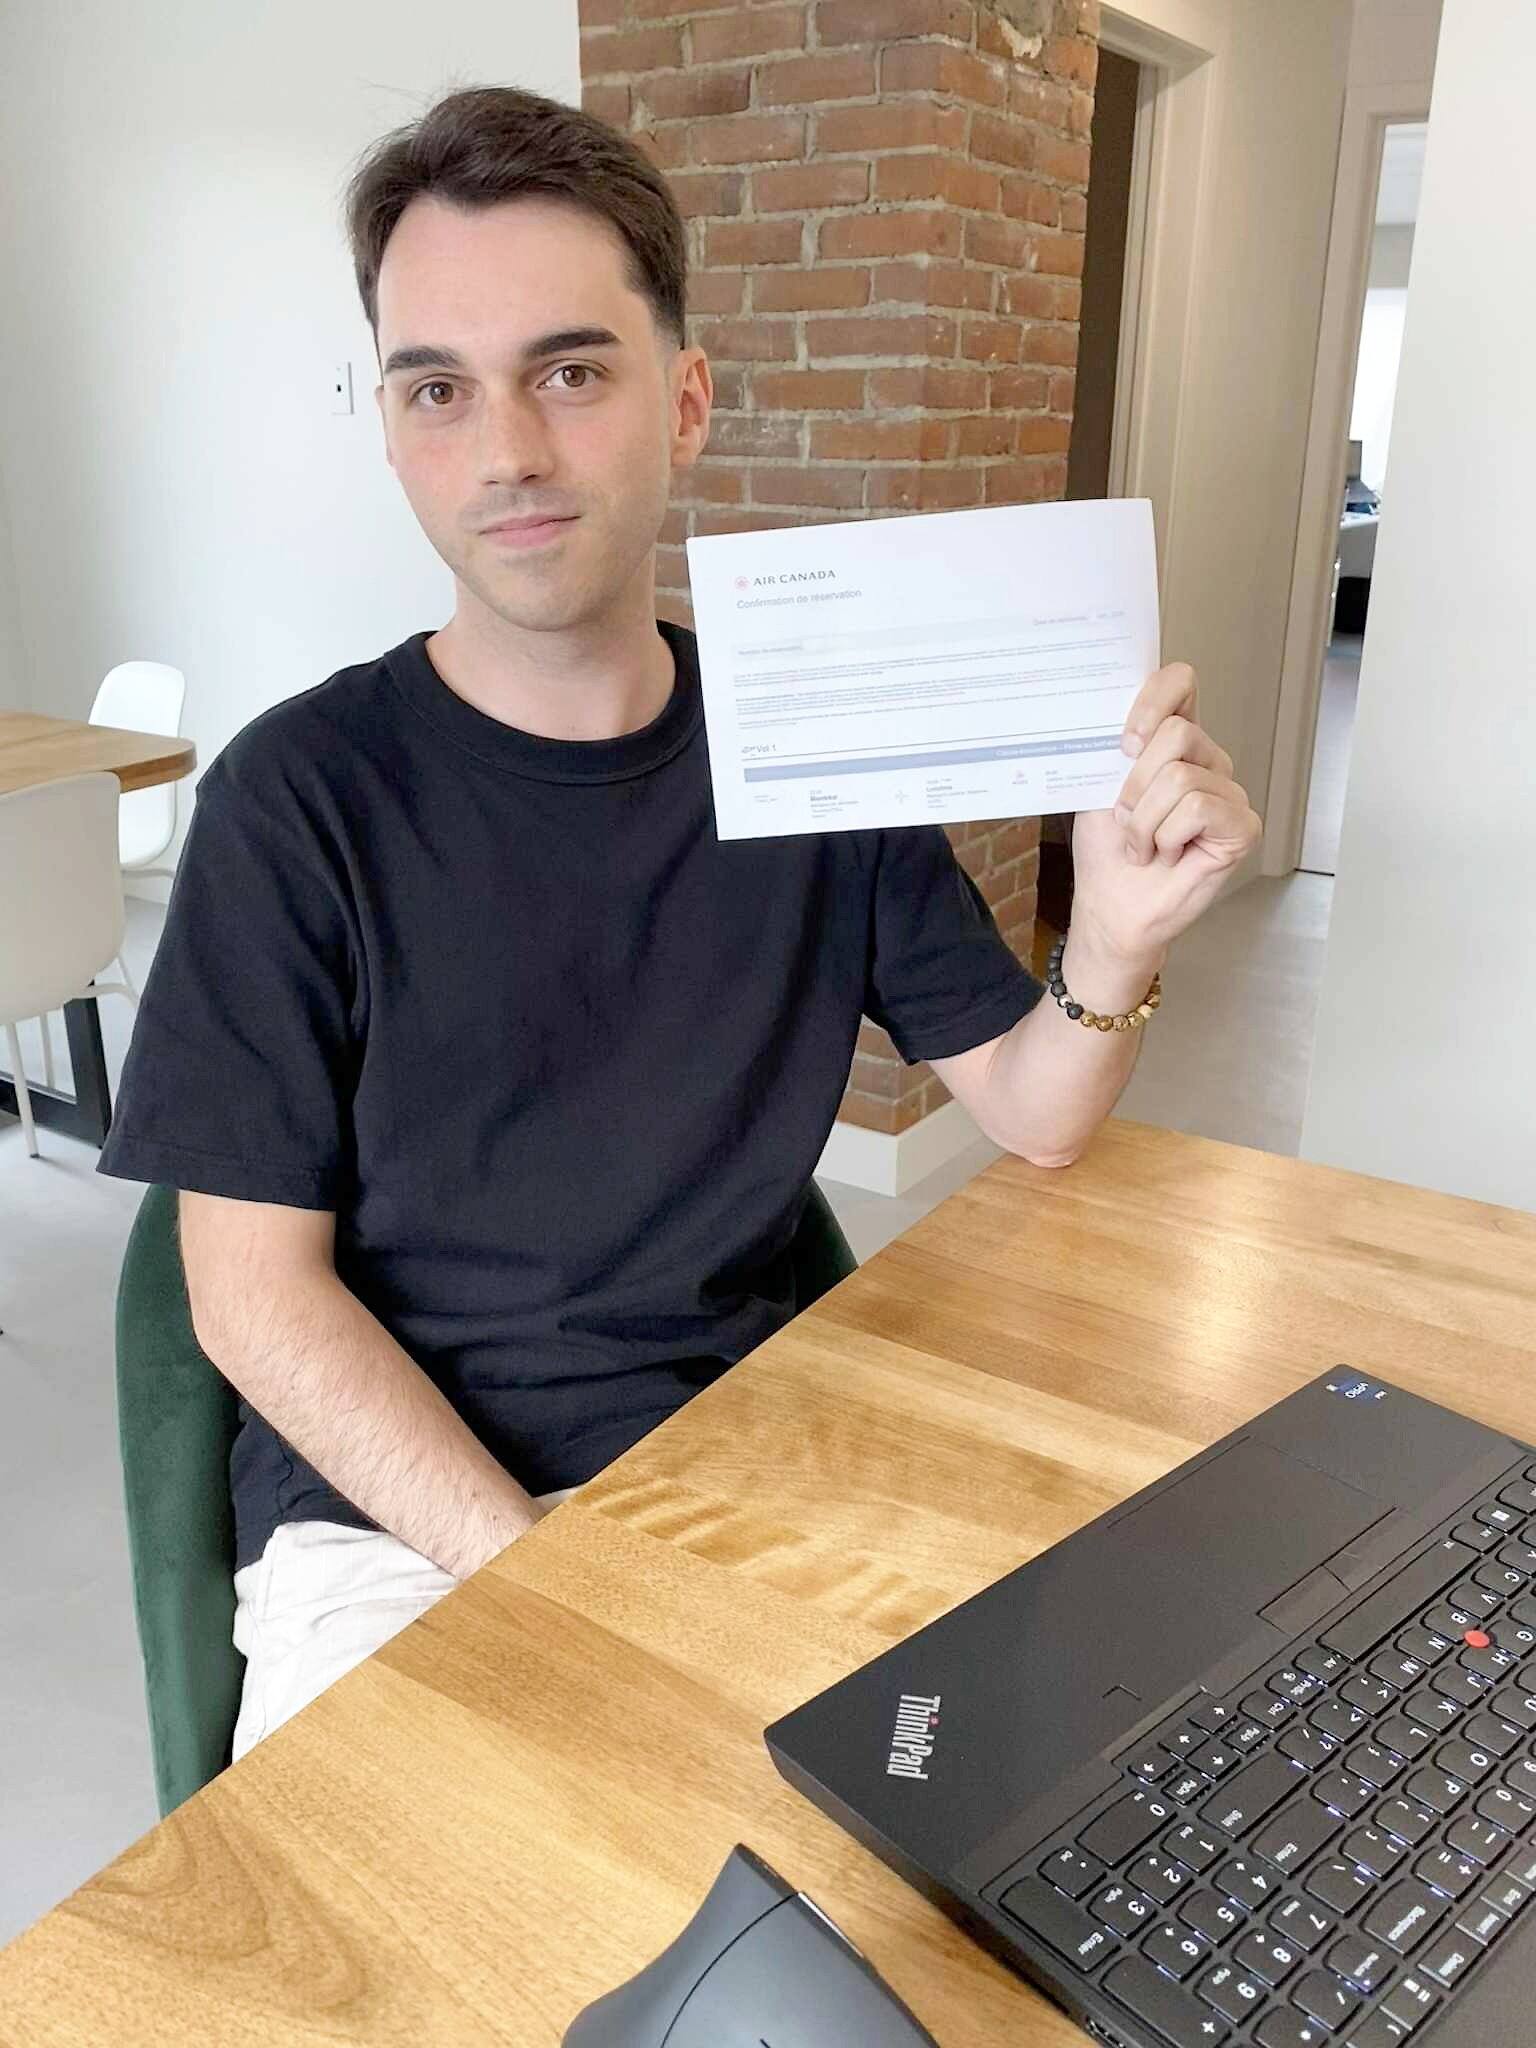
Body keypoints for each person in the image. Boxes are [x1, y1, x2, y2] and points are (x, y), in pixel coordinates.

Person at [99, 84, 1260, 1762]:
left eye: (571, 372)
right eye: (439, 389)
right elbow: (251, 1302)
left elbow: (1036, 1110)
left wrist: (1119, 944)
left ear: (688, 401)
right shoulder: (298, 802)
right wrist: (550, 1578)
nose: (507, 451)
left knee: (1040, 1799)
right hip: (402, 1527)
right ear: (393, 427)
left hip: (754, 1465)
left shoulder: (806, 750)